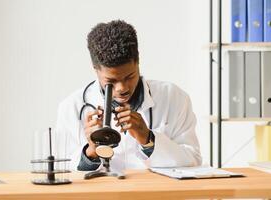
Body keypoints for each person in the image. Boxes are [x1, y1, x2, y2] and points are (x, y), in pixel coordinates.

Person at [56, 20, 202, 171]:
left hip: (155, 194)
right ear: (95, 69)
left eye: (129, 77)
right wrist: (91, 151)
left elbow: (193, 160)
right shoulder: (72, 107)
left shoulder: (173, 97)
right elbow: (61, 170)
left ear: (138, 62)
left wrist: (148, 139)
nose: (122, 88)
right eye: (111, 81)